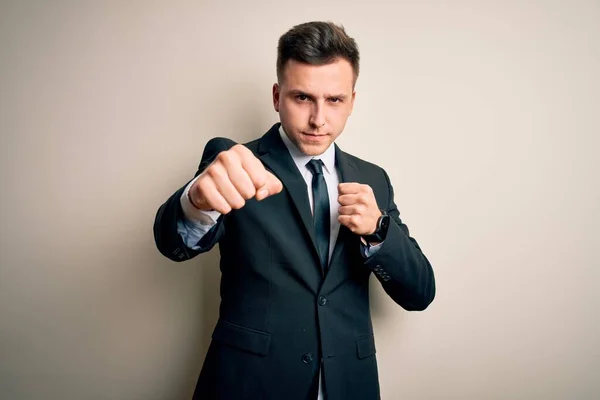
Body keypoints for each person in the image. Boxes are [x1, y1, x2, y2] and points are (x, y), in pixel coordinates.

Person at [154, 21, 435, 400]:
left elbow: (419, 293)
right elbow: (172, 243)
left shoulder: (374, 179)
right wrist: (196, 202)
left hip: (349, 385)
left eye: (334, 100)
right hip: (251, 385)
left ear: (352, 101)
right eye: (302, 97)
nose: (319, 119)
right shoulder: (235, 163)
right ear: (277, 96)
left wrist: (379, 231)